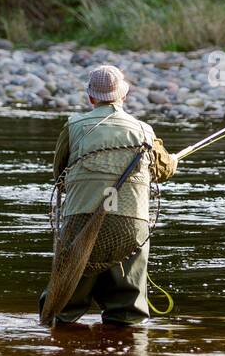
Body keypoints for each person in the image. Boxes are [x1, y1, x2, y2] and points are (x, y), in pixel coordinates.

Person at [43, 64, 177, 326]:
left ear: (90, 97)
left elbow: (59, 175)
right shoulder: (144, 131)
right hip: (131, 224)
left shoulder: (73, 126)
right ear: (123, 96)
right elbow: (163, 171)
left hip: (81, 220)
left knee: (62, 310)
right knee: (129, 315)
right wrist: (173, 161)